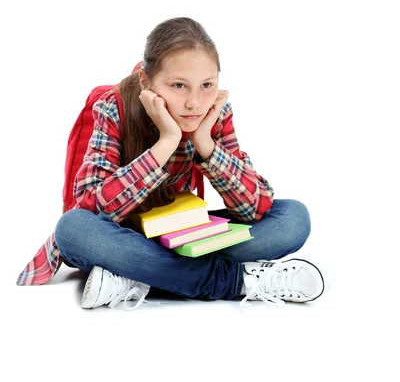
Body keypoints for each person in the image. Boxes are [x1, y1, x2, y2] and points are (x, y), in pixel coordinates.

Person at [16, 16, 324, 310]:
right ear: (146, 81)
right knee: (73, 229)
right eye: (178, 85)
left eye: (207, 84)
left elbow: (254, 207)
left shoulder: (213, 111)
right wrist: (166, 142)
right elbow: (92, 209)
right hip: (122, 236)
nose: (194, 102)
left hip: (179, 236)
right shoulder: (113, 106)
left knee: (293, 217)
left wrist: (205, 144)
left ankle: (138, 277)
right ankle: (236, 282)